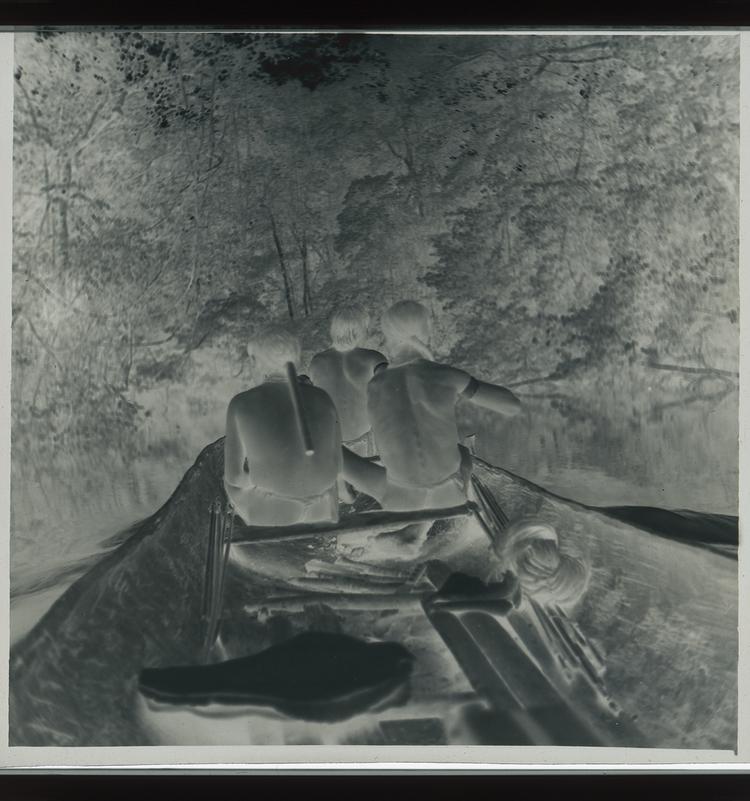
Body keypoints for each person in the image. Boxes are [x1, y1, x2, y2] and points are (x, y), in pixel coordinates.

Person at [339, 300, 522, 557]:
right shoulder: (448, 375)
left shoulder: (375, 385)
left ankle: (410, 533)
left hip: (399, 500)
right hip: (450, 497)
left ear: (386, 337)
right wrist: (464, 386)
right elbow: (512, 405)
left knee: (338, 452)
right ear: (427, 332)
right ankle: (415, 533)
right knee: (463, 452)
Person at [224, 328, 343, 528]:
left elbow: (235, 478)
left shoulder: (240, 403)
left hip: (275, 513)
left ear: (256, 363)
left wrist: (258, 479)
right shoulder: (323, 396)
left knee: (228, 484)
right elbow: (337, 464)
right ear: (296, 362)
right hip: (322, 509)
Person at [309, 306, 387, 456]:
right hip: (367, 443)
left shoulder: (318, 361)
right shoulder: (373, 359)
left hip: (332, 445)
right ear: (362, 329)